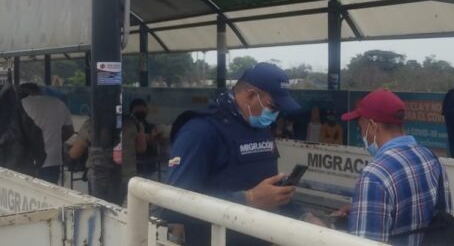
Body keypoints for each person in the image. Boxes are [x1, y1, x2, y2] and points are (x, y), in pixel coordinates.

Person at [162, 63, 301, 246]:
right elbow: (173, 207)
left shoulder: (260, 129)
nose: (275, 115)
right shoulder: (200, 132)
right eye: (272, 107)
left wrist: (302, 214)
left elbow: (268, 190)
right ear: (251, 95)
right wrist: (247, 199)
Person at [340, 89, 450, 245]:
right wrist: (367, 208)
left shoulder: (374, 176)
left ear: (372, 125)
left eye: (361, 127)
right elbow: (443, 216)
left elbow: (364, 242)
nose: (362, 134)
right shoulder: (432, 158)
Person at [68, 115, 146, 204]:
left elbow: (75, 153)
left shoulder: (91, 124)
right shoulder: (133, 123)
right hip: (125, 175)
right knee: (117, 207)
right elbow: (141, 148)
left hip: (98, 175)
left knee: (100, 208)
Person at [18, 83, 74, 184]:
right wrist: (54, 140)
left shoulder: (21, 104)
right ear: (39, 91)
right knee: (49, 194)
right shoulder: (58, 103)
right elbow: (69, 131)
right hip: (53, 160)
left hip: (29, 161)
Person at [0, 84, 46, 176]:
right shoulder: (23, 117)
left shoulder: (15, 114)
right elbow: (38, 143)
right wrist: (39, 162)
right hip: (21, 168)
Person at [129, 98, 165, 177]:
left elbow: (158, 140)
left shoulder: (150, 126)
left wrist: (156, 138)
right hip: (135, 165)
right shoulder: (129, 127)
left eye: (142, 111)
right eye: (137, 111)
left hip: (150, 164)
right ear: (131, 112)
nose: (140, 113)